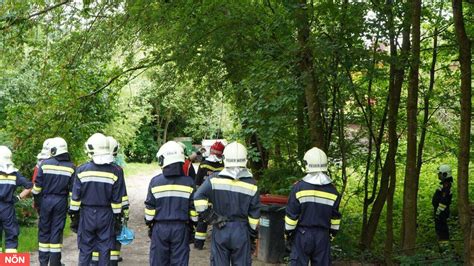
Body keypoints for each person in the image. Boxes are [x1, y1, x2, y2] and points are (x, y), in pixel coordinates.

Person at [194, 141, 260, 265]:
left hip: (220, 227)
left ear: (225, 158)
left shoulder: (213, 179)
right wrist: (251, 235)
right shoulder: (252, 184)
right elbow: (254, 217)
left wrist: (211, 218)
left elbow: (198, 197)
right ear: (245, 160)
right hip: (241, 230)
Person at [69, 133, 124, 265]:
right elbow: (117, 201)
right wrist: (118, 220)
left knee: (85, 249)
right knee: (104, 249)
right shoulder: (115, 171)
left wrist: (74, 217)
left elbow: (75, 198)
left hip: (87, 213)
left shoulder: (81, 170)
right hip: (106, 214)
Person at [285, 147, 341, 266]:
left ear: (307, 164)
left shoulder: (298, 188)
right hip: (323, 236)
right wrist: (331, 235)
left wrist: (288, 234)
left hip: (302, 234)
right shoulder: (333, 191)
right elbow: (335, 218)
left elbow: (291, 217)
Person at [144, 141, 197, 266]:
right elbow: (193, 211)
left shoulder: (155, 182)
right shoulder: (189, 182)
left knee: (158, 262)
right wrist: (193, 225)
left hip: (160, 228)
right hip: (181, 229)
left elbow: (150, 210)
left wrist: (149, 224)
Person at [32, 137, 75, 266]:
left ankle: (43, 263)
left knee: (44, 230)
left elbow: (37, 188)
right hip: (61, 201)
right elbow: (73, 191)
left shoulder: (44, 164)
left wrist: (38, 203)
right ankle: (55, 263)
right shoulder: (72, 167)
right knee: (57, 231)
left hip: (46, 200)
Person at [91, 136, 129, 265]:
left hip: (93, 213)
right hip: (111, 213)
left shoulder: (88, 168)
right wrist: (123, 214)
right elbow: (121, 195)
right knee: (112, 240)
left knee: (95, 241)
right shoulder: (117, 170)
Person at [0, 145, 33, 253]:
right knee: (11, 235)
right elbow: (29, 186)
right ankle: (10, 263)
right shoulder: (14, 174)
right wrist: (18, 198)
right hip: (7, 208)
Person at [193, 141, 225, 250]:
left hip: (204, 196)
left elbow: (197, 182)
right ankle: (219, 244)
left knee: (202, 219)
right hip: (217, 197)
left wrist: (197, 194)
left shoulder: (204, 164)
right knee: (219, 220)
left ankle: (198, 244)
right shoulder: (223, 166)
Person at [432, 164, 453, 252]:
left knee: (442, 231)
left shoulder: (447, 187)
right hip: (440, 213)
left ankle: (444, 250)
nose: (439, 175)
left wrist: (438, 213)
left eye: (440, 174)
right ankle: (443, 249)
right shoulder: (444, 185)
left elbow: (444, 202)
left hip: (441, 214)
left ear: (445, 174)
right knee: (440, 231)